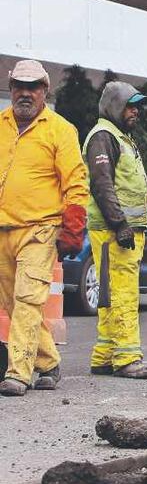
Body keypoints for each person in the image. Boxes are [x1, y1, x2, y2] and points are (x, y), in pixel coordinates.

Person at [0, 60, 88, 396]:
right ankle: (48, 361)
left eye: (33, 86)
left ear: (44, 90)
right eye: (19, 86)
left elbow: (76, 183)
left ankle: (18, 373)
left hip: (40, 229)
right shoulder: (1, 125)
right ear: (10, 90)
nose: (25, 93)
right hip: (3, 229)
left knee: (27, 299)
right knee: (12, 303)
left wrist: (73, 227)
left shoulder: (61, 130)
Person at [84, 80, 147, 379]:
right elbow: (101, 184)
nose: (135, 112)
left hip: (122, 229)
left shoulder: (121, 137)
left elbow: (124, 181)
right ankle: (127, 357)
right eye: (130, 105)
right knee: (123, 293)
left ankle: (104, 355)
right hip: (115, 231)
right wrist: (120, 224)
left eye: (137, 106)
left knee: (109, 294)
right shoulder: (104, 136)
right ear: (113, 106)